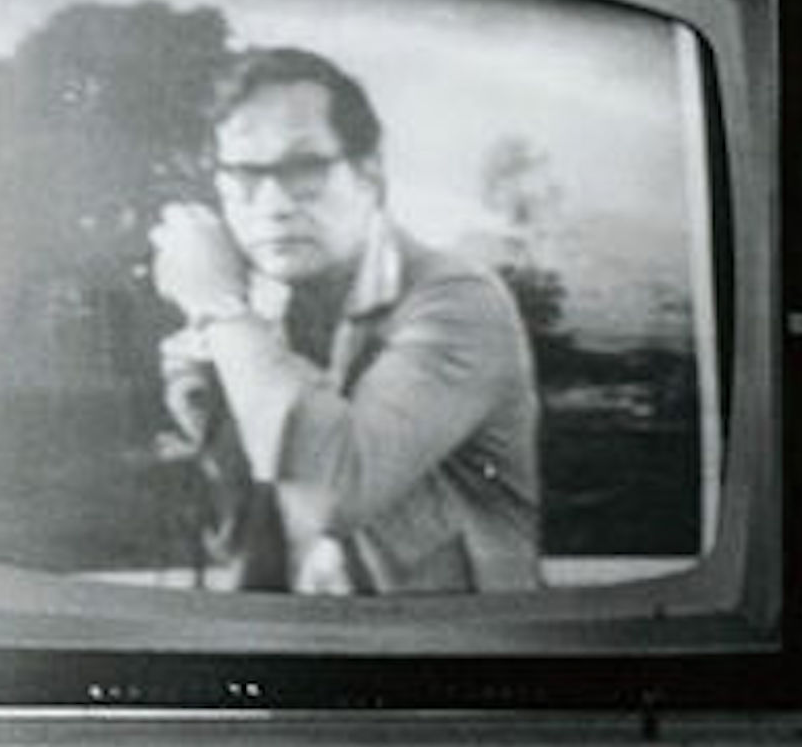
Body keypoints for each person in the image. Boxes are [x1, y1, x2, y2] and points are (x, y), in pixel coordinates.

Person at [149, 46, 541, 594]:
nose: (274, 203)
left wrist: (222, 310)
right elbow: (243, 533)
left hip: (447, 657)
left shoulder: (461, 301)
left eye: (304, 168)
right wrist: (202, 362)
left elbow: (333, 491)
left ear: (369, 173)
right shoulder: (256, 310)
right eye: (243, 173)